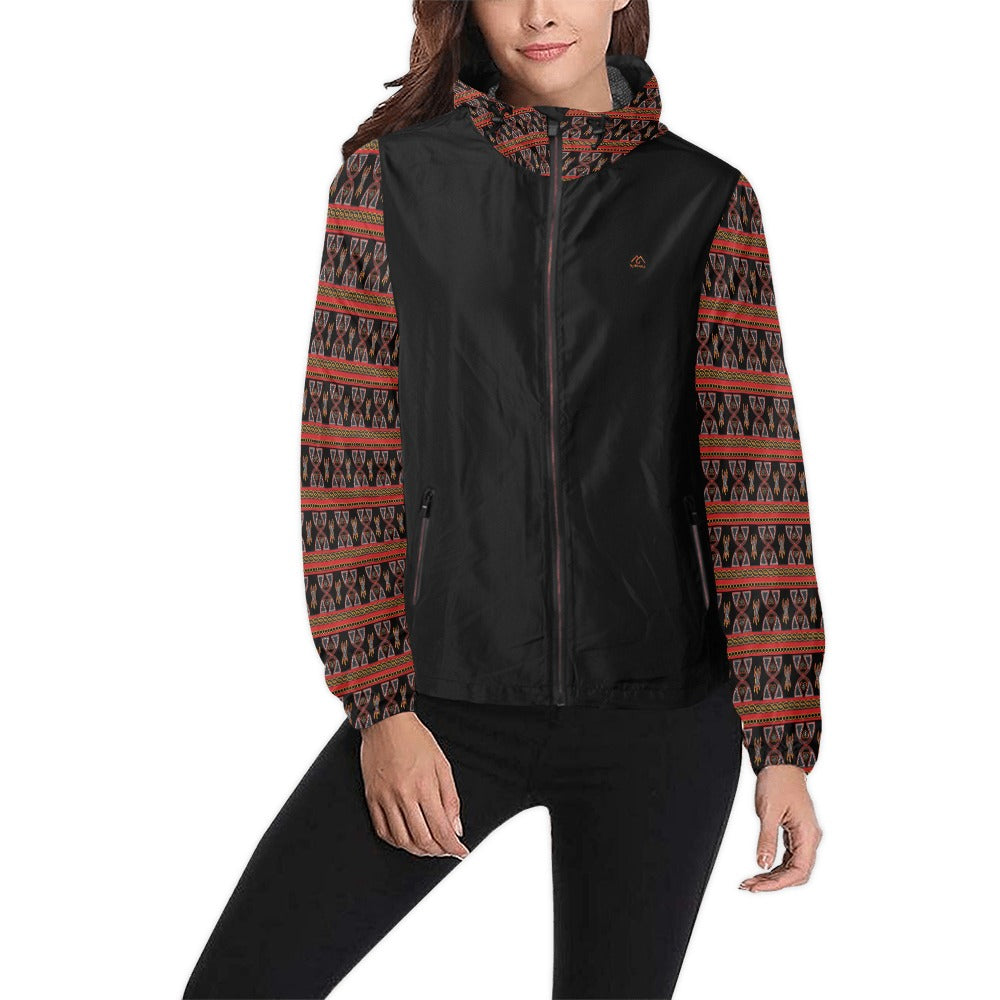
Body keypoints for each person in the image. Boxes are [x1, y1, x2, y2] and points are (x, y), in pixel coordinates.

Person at [182, 2, 825, 997]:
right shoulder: (391, 181)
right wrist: (382, 710)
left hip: (659, 714)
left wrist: (780, 742)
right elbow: (346, 456)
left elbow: (754, 472)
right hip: (444, 699)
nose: (537, 12)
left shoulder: (703, 198)